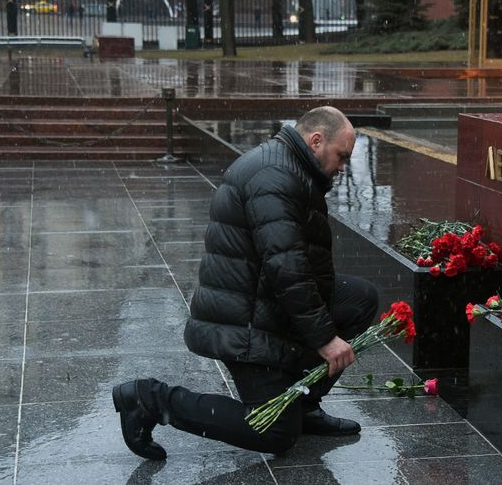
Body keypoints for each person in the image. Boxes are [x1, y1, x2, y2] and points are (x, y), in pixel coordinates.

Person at [112, 106, 379, 459]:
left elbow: (289, 264)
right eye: (341, 156)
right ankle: (150, 399)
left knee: (360, 298)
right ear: (316, 141)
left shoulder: (291, 166)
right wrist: (325, 339)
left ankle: (304, 406)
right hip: (244, 319)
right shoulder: (274, 176)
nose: (343, 167)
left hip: (260, 297)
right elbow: (287, 268)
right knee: (276, 434)